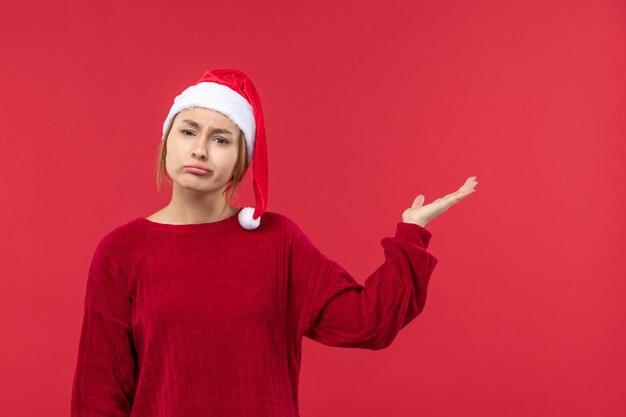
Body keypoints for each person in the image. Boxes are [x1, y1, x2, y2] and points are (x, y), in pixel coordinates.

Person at [70, 68, 478, 417]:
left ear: (241, 159)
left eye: (221, 139)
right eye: (188, 131)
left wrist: (411, 233)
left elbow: (367, 321)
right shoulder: (121, 251)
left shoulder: (276, 241)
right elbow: (98, 393)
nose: (199, 149)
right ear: (166, 142)